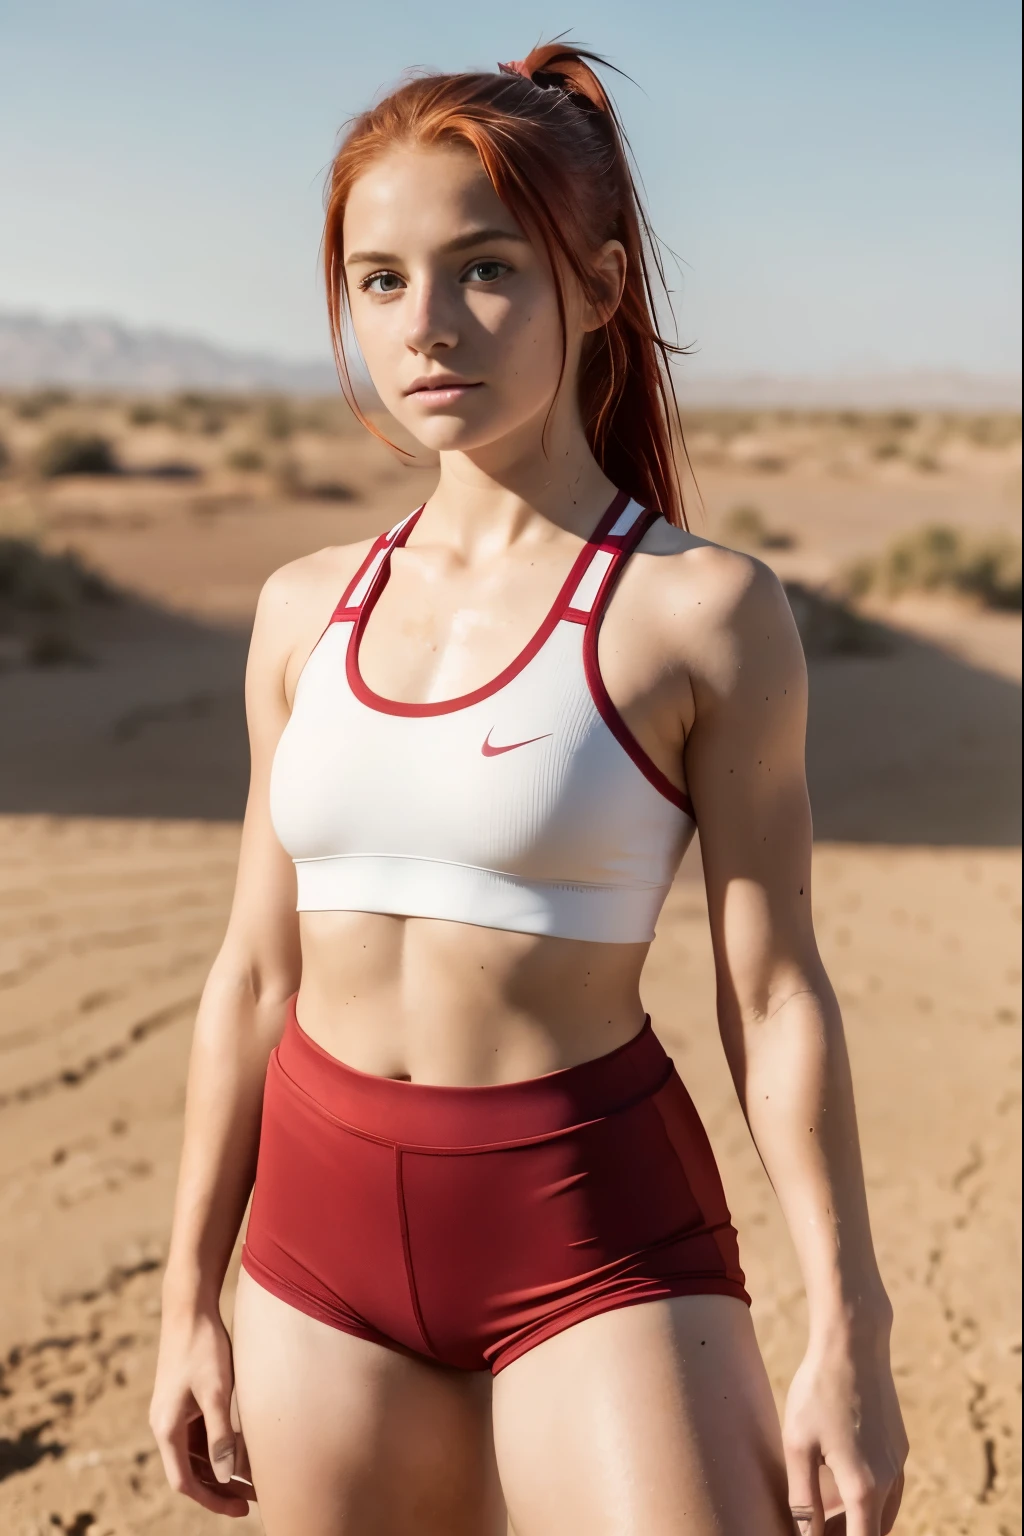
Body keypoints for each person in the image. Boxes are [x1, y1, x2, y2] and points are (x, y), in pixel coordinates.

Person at [148, 43, 908, 1536]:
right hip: (318, 1251)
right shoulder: (304, 608)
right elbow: (251, 975)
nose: (426, 327)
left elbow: (774, 994)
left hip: (592, 1239)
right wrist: (187, 1296)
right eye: (379, 281)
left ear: (602, 287)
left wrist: (851, 1331)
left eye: (484, 269)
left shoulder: (700, 613)